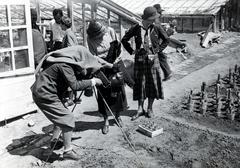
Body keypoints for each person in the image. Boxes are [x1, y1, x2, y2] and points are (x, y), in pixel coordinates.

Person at [31, 46, 107, 161]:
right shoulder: (65, 65)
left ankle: (55, 141)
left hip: (45, 91)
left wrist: (69, 98)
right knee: (68, 118)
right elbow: (75, 85)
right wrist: (93, 81)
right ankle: (67, 151)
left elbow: (62, 82)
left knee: (60, 116)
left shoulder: (62, 62)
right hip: (45, 93)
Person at [121, 6, 169, 120]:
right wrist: (132, 51)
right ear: (147, 18)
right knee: (140, 84)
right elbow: (124, 40)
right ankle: (140, 109)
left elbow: (166, 40)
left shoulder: (157, 27)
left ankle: (150, 109)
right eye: (153, 17)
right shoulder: (136, 28)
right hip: (140, 59)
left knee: (152, 83)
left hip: (153, 59)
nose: (155, 19)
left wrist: (157, 50)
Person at [87, 20, 128, 134]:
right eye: (99, 35)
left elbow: (119, 48)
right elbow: (93, 56)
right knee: (103, 93)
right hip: (101, 66)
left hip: (114, 63)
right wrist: (104, 63)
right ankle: (105, 120)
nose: (101, 35)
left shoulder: (110, 31)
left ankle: (117, 116)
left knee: (117, 90)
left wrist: (116, 61)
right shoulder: (90, 39)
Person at [60, 16, 79, 106]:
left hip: (69, 59)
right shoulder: (70, 32)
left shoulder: (68, 34)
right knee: (71, 79)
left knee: (69, 79)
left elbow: (71, 48)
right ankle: (74, 97)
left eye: (61, 24)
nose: (60, 26)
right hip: (72, 59)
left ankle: (71, 99)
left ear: (64, 25)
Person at [152, 4, 172, 81]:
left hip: (157, 42)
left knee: (161, 57)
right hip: (155, 42)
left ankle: (167, 73)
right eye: (160, 12)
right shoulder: (155, 19)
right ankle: (167, 73)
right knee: (160, 57)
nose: (161, 14)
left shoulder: (156, 19)